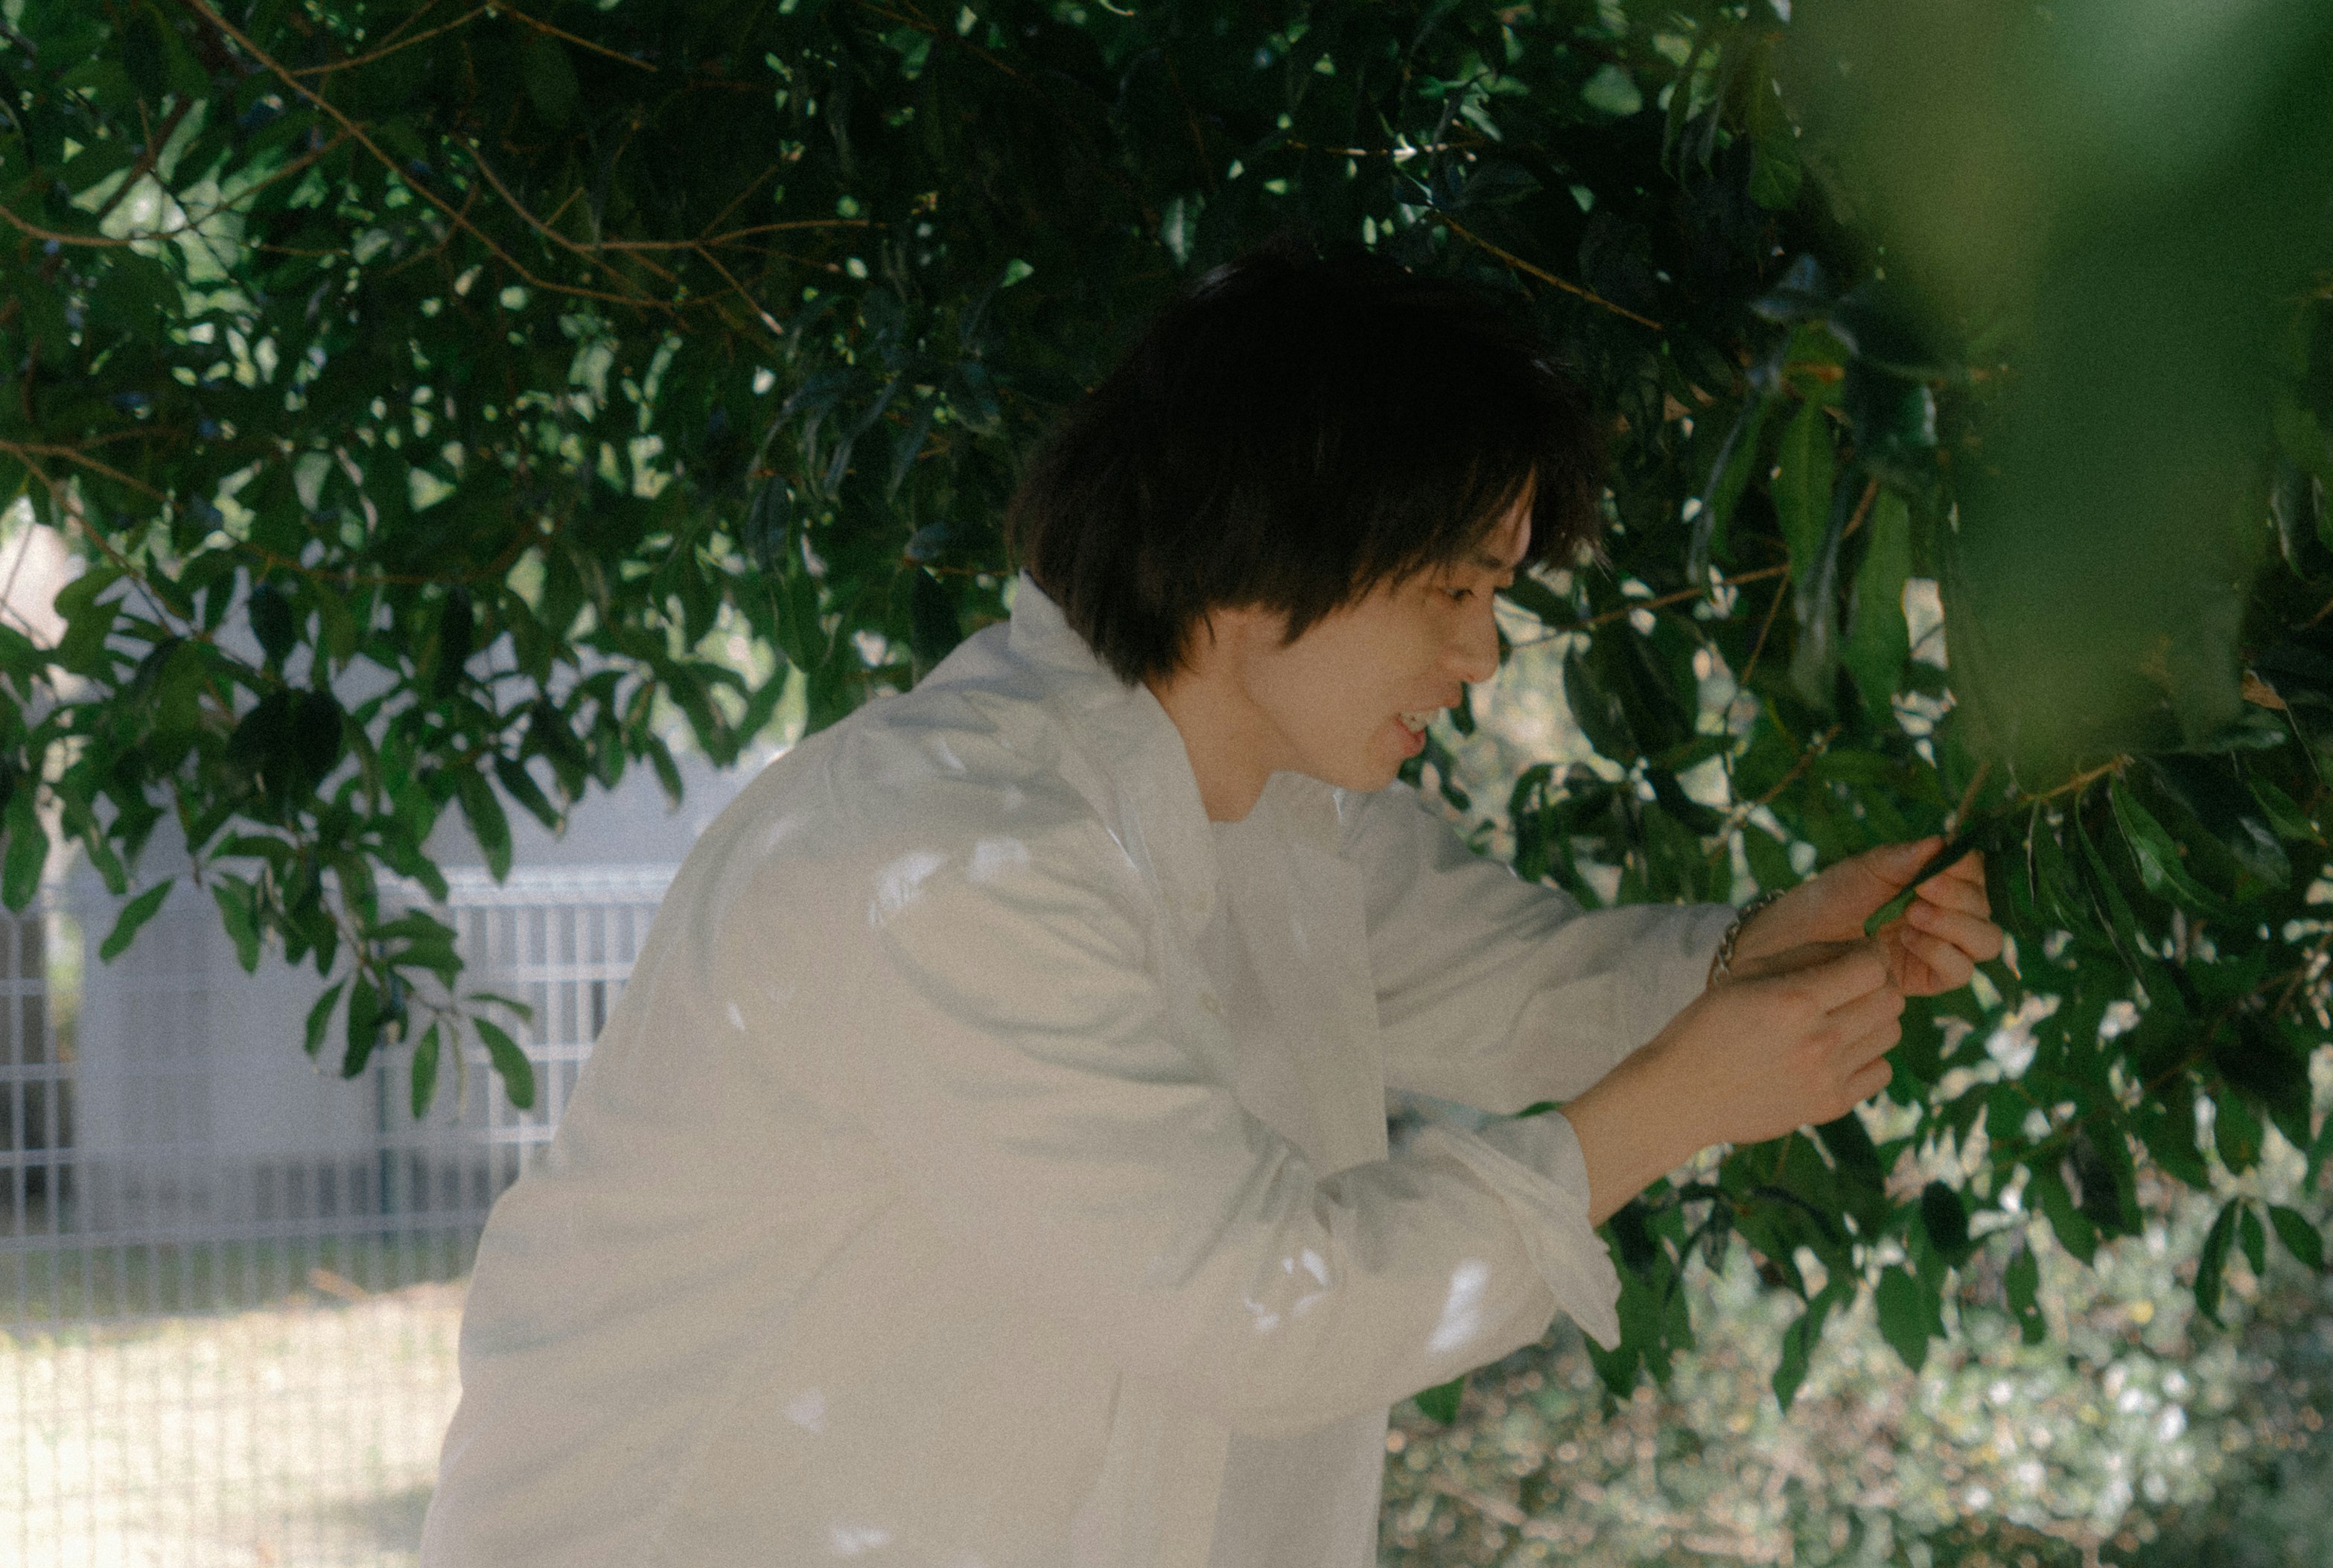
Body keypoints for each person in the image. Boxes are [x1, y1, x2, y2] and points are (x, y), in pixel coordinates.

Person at [419, 243, 2002, 1568]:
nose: (1484, 653)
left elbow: (1525, 990)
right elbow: (1265, 1309)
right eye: (1452, 587)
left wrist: (1764, 957)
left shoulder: (1268, 809)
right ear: (1254, 573)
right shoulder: (949, 860)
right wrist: (1670, 1107)